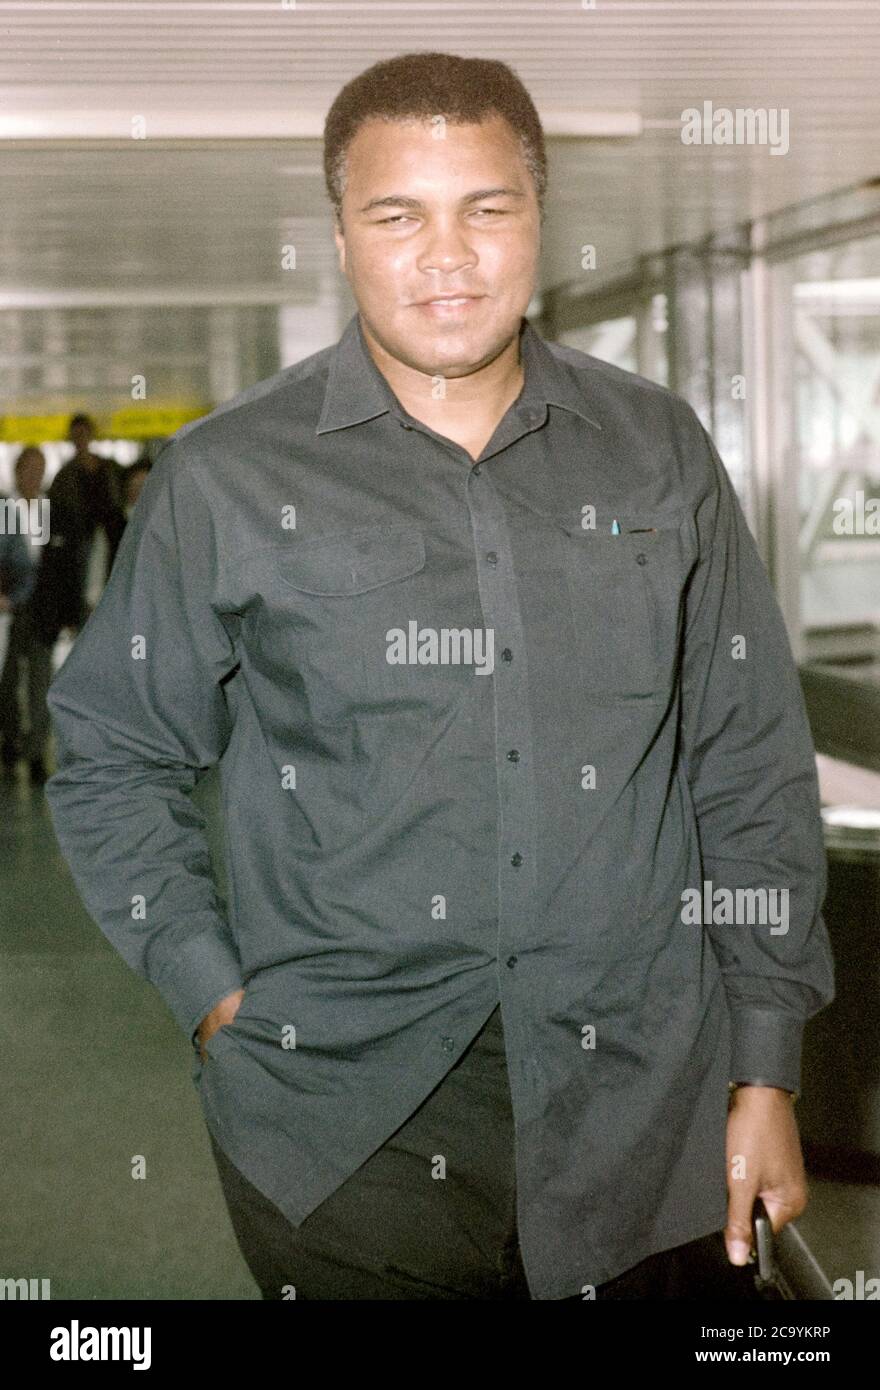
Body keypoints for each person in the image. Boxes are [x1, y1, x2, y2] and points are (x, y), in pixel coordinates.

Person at [43, 51, 834, 1300]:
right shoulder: (227, 477)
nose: (447, 255)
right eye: (397, 214)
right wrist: (209, 991)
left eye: (486, 207)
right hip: (345, 1115)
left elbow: (744, 758)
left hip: (642, 1105)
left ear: (538, 221)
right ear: (342, 236)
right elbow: (110, 754)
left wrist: (764, 1064)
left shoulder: (655, 450)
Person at [28, 413, 127, 650]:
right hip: (79, 544)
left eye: (84, 434)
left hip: (110, 540)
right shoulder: (66, 476)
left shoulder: (109, 469)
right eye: (76, 435)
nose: (80, 440)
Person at [0, 446, 52, 783]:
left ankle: (36, 752)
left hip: (42, 607)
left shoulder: (49, 507)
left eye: (39, 468)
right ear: (18, 471)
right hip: (11, 604)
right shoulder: (6, 506)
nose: (33, 475)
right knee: (7, 679)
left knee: (40, 680)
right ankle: (12, 738)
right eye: (27, 468)